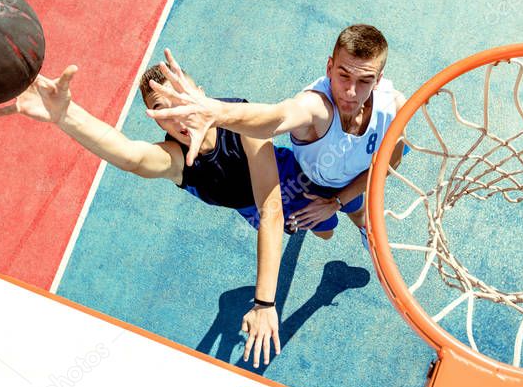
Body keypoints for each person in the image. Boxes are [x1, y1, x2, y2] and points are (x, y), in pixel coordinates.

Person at [0, 51, 344, 367]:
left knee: (327, 229)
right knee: (294, 233)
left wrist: (265, 303)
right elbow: (131, 156)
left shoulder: (241, 121)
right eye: (162, 109)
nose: (176, 111)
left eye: (180, 95)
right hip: (249, 207)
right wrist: (65, 114)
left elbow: (272, 208)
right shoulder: (177, 161)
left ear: (200, 93)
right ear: (157, 122)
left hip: (290, 182)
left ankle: (347, 208)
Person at [146, 25, 406, 247]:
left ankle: (362, 226)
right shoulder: (315, 107)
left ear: (379, 80)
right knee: (326, 233)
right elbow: (277, 117)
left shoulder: (394, 106)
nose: (350, 91)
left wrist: (338, 201)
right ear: (329, 68)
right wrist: (216, 112)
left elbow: (390, 163)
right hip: (313, 181)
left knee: (358, 210)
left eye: (364, 81)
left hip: (355, 178)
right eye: (343, 76)